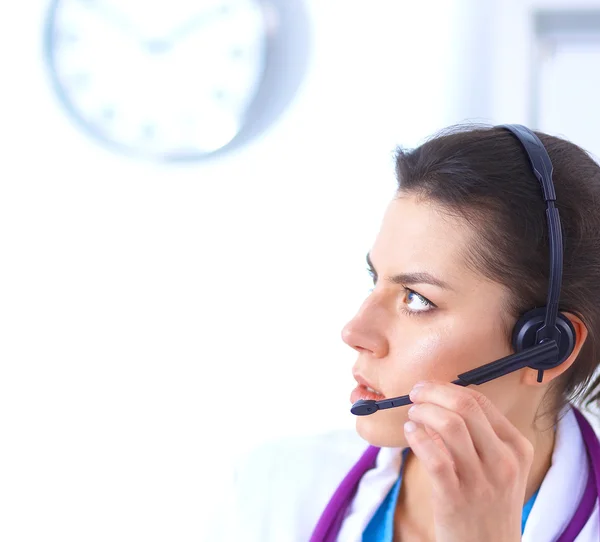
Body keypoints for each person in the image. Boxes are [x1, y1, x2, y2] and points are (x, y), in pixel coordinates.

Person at [209, 124, 600, 542]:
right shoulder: (271, 488)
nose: (355, 331)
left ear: (546, 346)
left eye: (416, 298)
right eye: (374, 278)